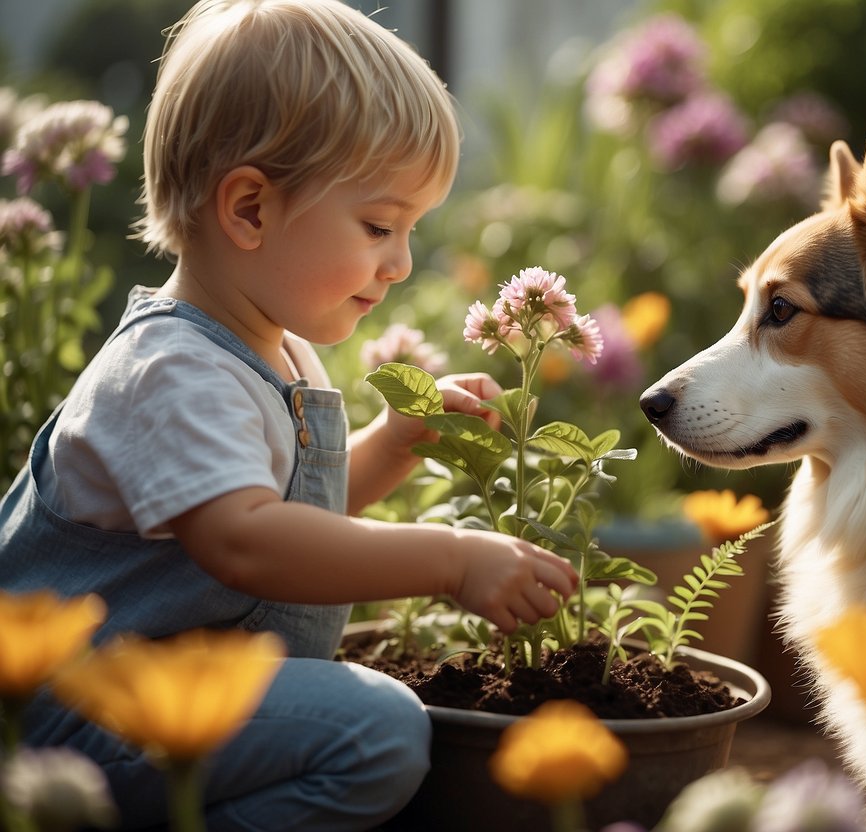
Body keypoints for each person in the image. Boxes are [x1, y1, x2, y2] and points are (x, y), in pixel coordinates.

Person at [0, 0, 580, 828]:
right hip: (68, 727)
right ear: (249, 210)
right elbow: (247, 542)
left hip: (172, 707)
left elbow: (296, 519)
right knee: (374, 729)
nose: (402, 262)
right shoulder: (171, 372)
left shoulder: (271, 348)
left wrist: (392, 443)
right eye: (380, 224)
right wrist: (449, 559)